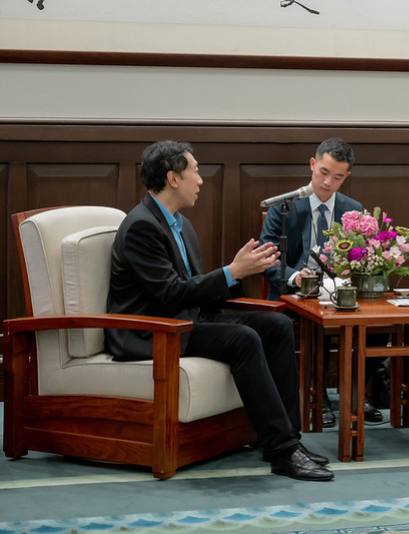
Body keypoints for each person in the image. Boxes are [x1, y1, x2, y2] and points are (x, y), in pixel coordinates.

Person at [106, 140, 333, 481]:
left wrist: (238, 274)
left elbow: (190, 288)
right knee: (242, 338)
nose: (200, 180)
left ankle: (289, 439)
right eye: (195, 171)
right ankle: (281, 451)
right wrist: (232, 271)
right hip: (151, 329)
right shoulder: (142, 226)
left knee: (277, 325)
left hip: (184, 318)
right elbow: (169, 294)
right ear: (173, 179)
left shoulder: (180, 224)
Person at [259, 137, 385, 427]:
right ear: (312, 164)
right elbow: (267, 255)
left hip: (338, 293)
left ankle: (357, 394)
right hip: (293, 294)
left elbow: (364, 255)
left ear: (346, 177)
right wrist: (294, 276)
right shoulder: (285, 206)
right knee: (311, 324)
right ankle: (316, 395)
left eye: (337, 177)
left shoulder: (353, 209)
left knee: (376, 321)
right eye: (323, 172)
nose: (328, 182)